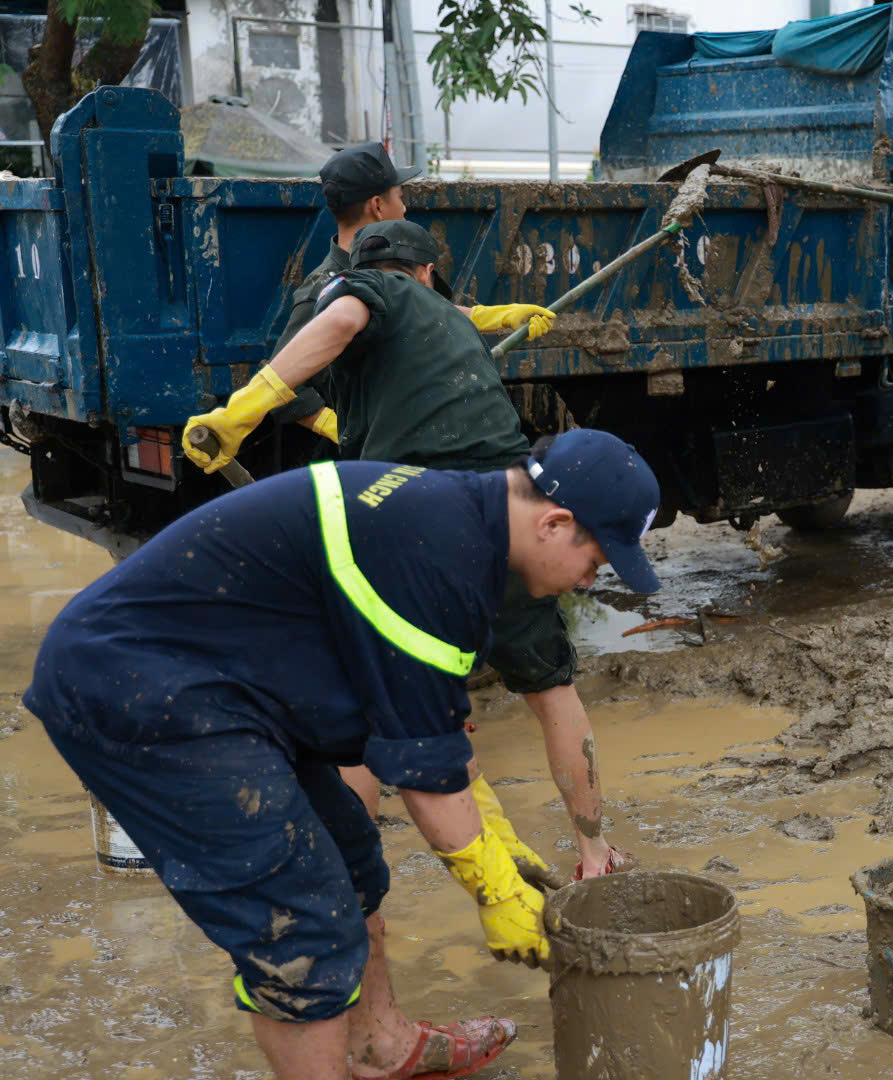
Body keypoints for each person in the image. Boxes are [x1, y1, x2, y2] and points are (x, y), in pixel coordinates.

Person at [23, 430, 663, 1080]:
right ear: (555, 522)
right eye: (598, 561)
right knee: (301, 931)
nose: (591, 579)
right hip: (140, 688)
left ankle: (381, 1045)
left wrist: (494, 840)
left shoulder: (461, 525)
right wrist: (493, 889)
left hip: (226, 688)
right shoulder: (439, 554)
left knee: (353, 863)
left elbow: (432, 732)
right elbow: (425, 779)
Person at [184, 220, 631, 882]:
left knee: (373, 706)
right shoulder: (428, 312)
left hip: (419, 524)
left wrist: (241, 408)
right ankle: (595, 854)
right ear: (423, 273)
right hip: (516, 518)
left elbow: (336, 327)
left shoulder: (365, 299)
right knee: (552, 689)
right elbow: (372, 317)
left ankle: (347, 880)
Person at [268, 142, 548, 441]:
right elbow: (280, 386)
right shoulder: (325, 289)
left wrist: (492, 317)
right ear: (377, 206)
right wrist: (341, 429)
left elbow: (419, 313)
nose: (404, 208)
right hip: (367, 461)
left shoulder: (393, 267)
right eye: (400, 198)